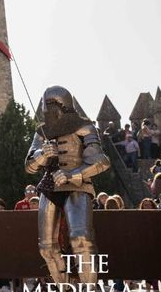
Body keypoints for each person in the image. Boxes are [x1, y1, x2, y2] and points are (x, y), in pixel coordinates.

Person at [25, 85, 110, 285]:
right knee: (46, 247)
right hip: (50, 187)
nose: (46, 110)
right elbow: (28, 166)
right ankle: (63, 288)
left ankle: (89, 288)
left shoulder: (85, 127)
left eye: (49, 105)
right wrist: (41, 155)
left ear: (61, 105)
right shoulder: (42, 132)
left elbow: (102, 161)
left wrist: (73, 174)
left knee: (81, 238)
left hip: (78, 187)